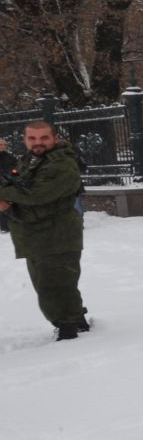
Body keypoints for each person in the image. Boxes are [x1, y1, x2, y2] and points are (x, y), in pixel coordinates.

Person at [0, 121, 90, 339]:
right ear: (24, 140)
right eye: (32, 138)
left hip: (57, 234)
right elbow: (16, 183)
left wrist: (5, 199)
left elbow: (39, 195)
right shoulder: (32, 160)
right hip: (35, 235)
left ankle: (69, 331)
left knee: (55, 287)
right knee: (48, 285)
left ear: (54, 139)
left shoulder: (63, 164)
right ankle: (77, 322)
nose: (38, 143)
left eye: (43, 138)